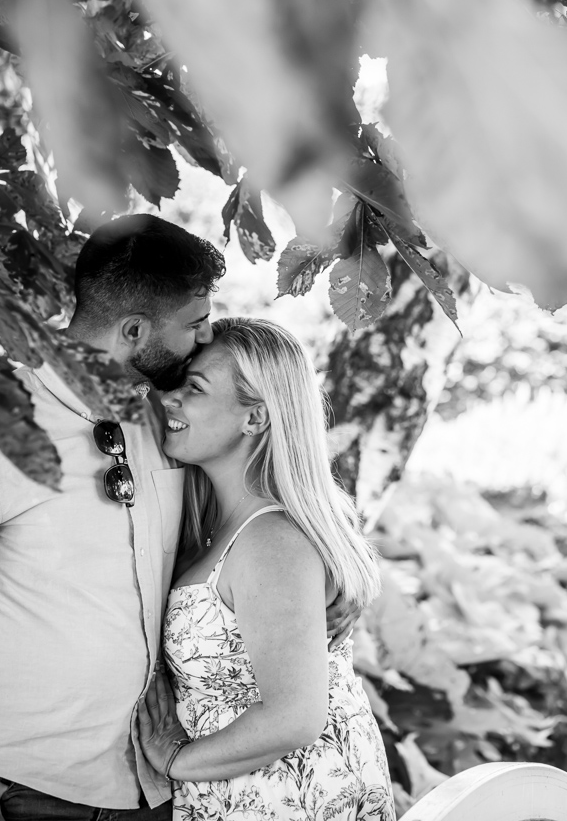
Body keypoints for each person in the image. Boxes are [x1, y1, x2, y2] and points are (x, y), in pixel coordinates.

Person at [0, 215, 225, 820]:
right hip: (23, 791)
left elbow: (238, 524)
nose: (207, 340)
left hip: (154, 783)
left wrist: (328, 585)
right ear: (134, 329)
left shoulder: (173, 418)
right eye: (195, 324)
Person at [137, 317, 395, 821]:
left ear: (254, 419)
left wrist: (175, 760)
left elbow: (294, 717)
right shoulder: (221, 528)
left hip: (288, 801)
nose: (169, 399)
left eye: (194, 388)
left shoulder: (271, 540)